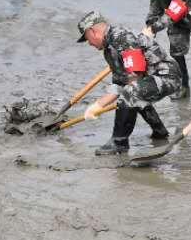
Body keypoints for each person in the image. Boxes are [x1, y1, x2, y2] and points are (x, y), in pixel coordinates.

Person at [75, 9, 182, 152]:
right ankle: (160, 131)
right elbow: (119, 82)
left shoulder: (121, 37)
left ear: (93, 31)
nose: (89, 43)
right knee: (133, 91)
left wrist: (101, 104)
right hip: (150, 78)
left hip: (168, 76)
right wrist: (97, 106)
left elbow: (134, 76)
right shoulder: (109, 48)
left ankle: (119, 143)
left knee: (131, 92)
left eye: (87, 38)